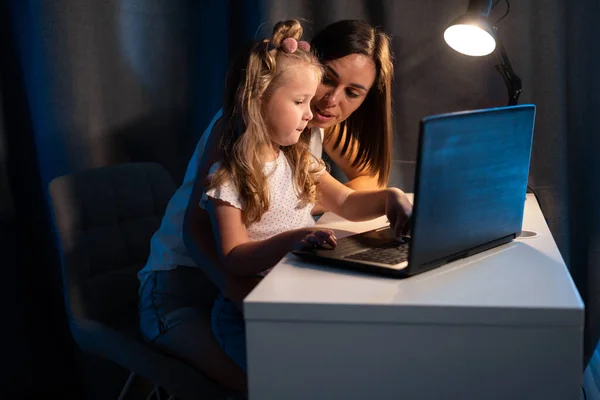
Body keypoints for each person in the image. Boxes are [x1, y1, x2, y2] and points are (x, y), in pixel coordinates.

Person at [138, 19, 403, 393]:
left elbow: (357, 183)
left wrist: (392, 197)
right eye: (328, 79)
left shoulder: (305, 128)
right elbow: (197, 233)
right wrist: (260, 309)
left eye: (353, 92)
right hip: (186, 288)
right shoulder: (243, 126)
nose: (331, 101)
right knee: (271, 385)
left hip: (256, 286)